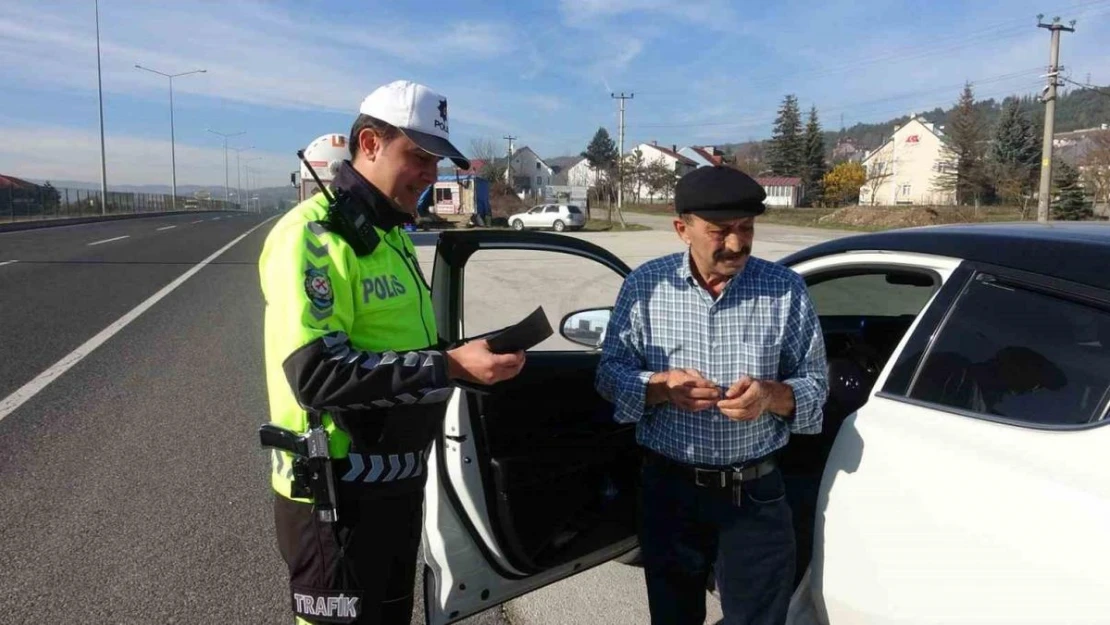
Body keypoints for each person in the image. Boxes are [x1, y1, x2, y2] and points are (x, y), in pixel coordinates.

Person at [258, 79, 526, 624]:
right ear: (371, 143)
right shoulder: (313, 236)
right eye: (419, 156)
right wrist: (448, 364)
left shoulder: (391, 235)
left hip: (397, 485)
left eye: (437, 161)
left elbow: (401, 351)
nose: (431, 175)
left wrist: (467, 361)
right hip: (336, 497)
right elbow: (316, 375)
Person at [595, 165, 828, 625]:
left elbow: (817, 387)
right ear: (683, 229)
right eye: (721, 232)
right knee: (673, 616)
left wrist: (771, 395)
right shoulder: (645, 286)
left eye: (747, 229)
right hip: (670, 491)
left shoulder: (785, 290)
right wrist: (659, 389)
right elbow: (609, 374)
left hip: (756, 495)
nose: (738, 245)